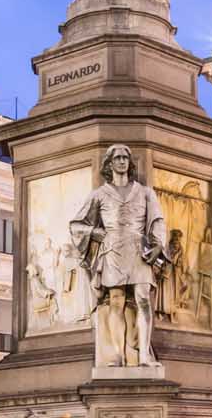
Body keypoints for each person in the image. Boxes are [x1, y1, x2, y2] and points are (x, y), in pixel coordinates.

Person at [69, 144, 168, 367]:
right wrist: (95, 232)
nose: (122, 161)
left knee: (143, 299)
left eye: (125, 157)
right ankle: (117, 355)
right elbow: (77, 225)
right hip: (112, 250)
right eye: (117, 158)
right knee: (116, 301)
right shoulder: (99, 195)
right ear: (110, 163)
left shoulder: (144, 192)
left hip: (137, 249)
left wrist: (159, 244)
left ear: (129, 163)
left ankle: (143, 355)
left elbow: (157, 220)